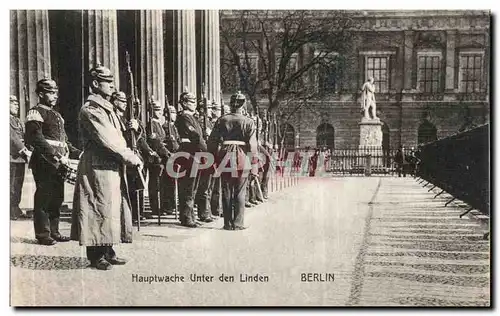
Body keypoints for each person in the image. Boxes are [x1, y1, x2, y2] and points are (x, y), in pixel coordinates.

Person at [71, 65, 143, 270]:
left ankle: (108, 250)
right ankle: (96, 255)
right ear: (95, 84)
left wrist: (133, 132)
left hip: (110, 164)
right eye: (108, 82)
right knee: (97, 207)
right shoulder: (91, 109)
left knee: (111, 207)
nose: (112, 86)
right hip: (97, 165)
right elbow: (108, 139)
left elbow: (120, 136)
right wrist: (130, 156)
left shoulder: (106, 109)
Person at [24, 79, 81, 245]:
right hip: (43, 161)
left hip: (58, 163)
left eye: (55, 92)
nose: (54, 96)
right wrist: (56, 155)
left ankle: (54, 231)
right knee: (44, 196)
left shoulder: (56, 115)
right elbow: (36, 138)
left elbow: (65, 141)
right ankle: (43, 234)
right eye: (50, 92)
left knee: (57, 197)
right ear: (41, 94)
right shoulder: (35, 112)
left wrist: (78, 153)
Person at [207, 92, 258, 230]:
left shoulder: (222, 120)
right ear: (243, 105)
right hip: (242, 156)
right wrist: (254, 166)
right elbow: (253, 146)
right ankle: (238, 223)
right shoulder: (249, 121)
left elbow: (212, 142)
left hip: (225, 156)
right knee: (240, 191)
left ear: (231, 104)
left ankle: (227, 223)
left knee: (226, 190)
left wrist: (213, 160)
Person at [111, 91, 154, 222]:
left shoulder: (126, 120)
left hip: (135, 156)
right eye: (122, 101)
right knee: (128, 188)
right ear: (115, 101)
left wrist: (137, 129)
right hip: (123, 156)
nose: (125, 105)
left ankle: (136, 213)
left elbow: (138, 139)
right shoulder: (114, 118)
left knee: (136, 186)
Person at [175, 92, 209, 227]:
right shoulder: (184, 117)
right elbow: (195, 136)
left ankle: (190, 216)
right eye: (191, 102)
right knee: (188, 187)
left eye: (194, 102)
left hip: (195, 153)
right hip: (188, 152)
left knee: (193, 187)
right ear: (183, 103)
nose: (194, 104)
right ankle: (186, 217)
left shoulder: (192, 117)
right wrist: (207, 150)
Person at [146, 99, 171, 217]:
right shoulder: (151, 124)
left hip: (162, 158)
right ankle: (155, 208)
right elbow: (155, 142)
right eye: (157, 109)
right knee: (155, 184)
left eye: (160, 109)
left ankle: (161, 207)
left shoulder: (158, 125)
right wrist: (166, 153)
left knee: (161, 184)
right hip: (156, 158)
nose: (160, 112)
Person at [10, 95, 32, 220]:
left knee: (18, 184)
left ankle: (15, 208)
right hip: (11, 157)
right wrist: (23, 150)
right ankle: (10, 209)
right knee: (11, 185)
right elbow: (12, 137)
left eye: (17, 104)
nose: (17, 106)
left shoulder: (17, 120)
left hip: (19, 158)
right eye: (13, 103)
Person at [162, 102, 180, 215]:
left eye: (174, 112)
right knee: (167, 183)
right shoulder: (164, 127)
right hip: (168, 157)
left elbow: (177, 141)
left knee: (174, 183)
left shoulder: (174, 127)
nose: (174, 114)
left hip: (177, 156)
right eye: (172, 112)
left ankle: (172, 204)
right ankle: (167, 206)